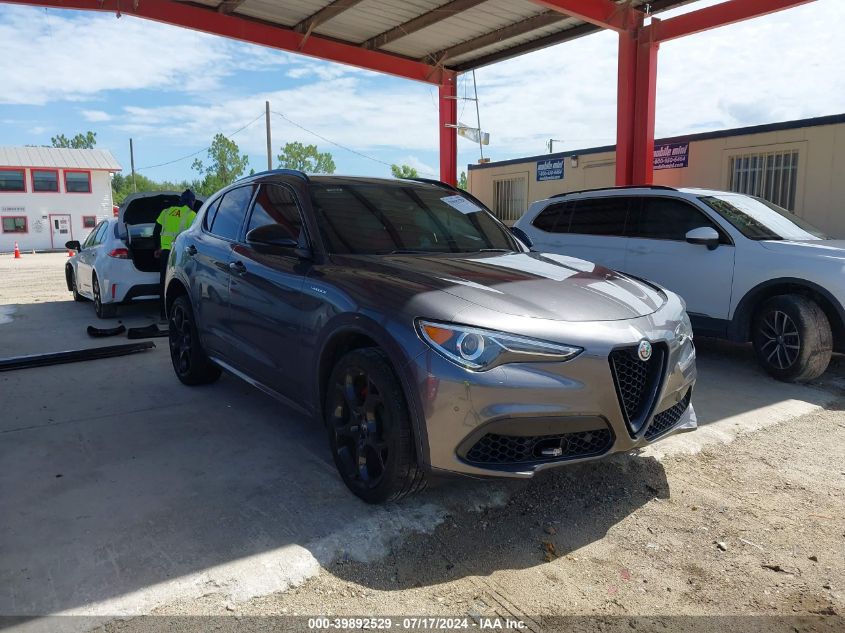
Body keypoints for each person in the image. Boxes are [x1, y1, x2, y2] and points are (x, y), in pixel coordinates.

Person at [154, 189, 197, 320]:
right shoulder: (192, 215)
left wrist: (158, 248)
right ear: (192, 201)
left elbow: (156, 231)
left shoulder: (166, 212)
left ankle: (163, 314)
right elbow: (194, 236)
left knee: (164, 283)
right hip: (179, 253)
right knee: (179, 283)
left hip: (165, 252)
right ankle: (177, 314)